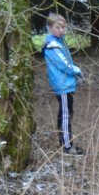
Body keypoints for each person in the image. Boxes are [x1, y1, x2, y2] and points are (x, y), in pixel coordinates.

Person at [43, 13, 84, 155]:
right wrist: (78, 71)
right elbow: (64, 65)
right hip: (63, 85)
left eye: (63, 27)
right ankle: (67, 147)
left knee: (67, 112)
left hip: (66, 84)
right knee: (66, 115)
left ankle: (65, 143)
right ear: (49, 28)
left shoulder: (59, 42)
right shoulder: (52, 46)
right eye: (57, 27)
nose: (61, 30)